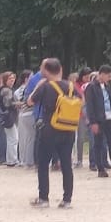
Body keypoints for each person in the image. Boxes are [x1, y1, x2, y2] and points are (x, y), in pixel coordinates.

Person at [29, 58, 79, 209]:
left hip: (50, 129)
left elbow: (31, 101)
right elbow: (80, 100)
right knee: (66, 164)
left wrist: (37, 86)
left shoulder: (46, 86)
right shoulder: (70, 86)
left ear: (46, 71)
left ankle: (44, 198)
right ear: (60, 69)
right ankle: (67, 199)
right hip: (68, 128)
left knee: (43, 164)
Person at [84, 65, 111, 176]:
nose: (110, 78)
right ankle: (100, 168)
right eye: (108, 76)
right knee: (98, 144)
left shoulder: (107, 86)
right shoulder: (91, 87)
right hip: (98, 119)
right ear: (101, 74)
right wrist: (93, 122)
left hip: (109, 118)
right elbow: (90, 106)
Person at [0, 72, 20, 166]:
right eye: (10, 78)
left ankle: (10, 159)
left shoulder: (8, 89)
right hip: (9, 116)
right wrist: (18, 104)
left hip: (8, 116)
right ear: (5, 80)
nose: (12, 80)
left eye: (13, 78)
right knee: (13, 139)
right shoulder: (6, 90)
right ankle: (13, 160)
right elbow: (8, 104)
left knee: (11, 139)